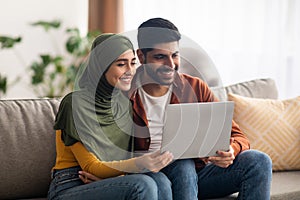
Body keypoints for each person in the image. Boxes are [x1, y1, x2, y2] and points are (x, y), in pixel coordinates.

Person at [128, 17, 272, 199]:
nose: (171, 65)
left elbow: (238, 136)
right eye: (160, 57)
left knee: (259, 161)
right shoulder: (125, 92)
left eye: (174, 55)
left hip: (197, 176)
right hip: (153, 177)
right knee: (182, 163)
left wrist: (231, 150)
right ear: (141, 56)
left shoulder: (196, 88)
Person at [47, 33, 174, 200]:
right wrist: (140, 163)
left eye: (133, 63)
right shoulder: (74, 104)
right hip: (70, 184)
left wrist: (116, 179)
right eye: (121, 64)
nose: (130, 71)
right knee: (143, 184)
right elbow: (90, 166)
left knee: (161, 180)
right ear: (101, 67)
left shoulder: (125, 105)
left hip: (109, 180)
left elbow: (121, 162)